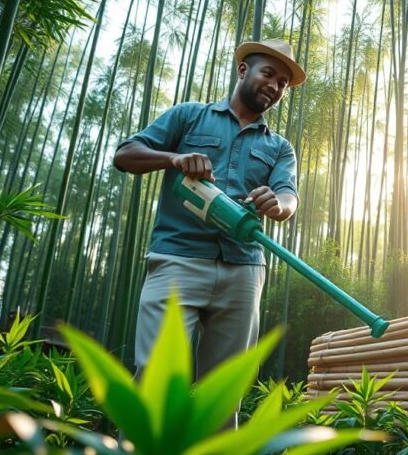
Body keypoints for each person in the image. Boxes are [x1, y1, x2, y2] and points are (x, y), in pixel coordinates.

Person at [112, 39, 305, 401]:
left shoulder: (280, 147)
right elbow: (126, 155)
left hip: (243, 271)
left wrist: (277, 204)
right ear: (243, 70)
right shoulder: (188, 115)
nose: (275, 86)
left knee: (221, 395)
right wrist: (174, 159)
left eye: (282, 82)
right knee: (155, 381)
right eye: (269, 73)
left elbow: (288, 196)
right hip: (177, 260)